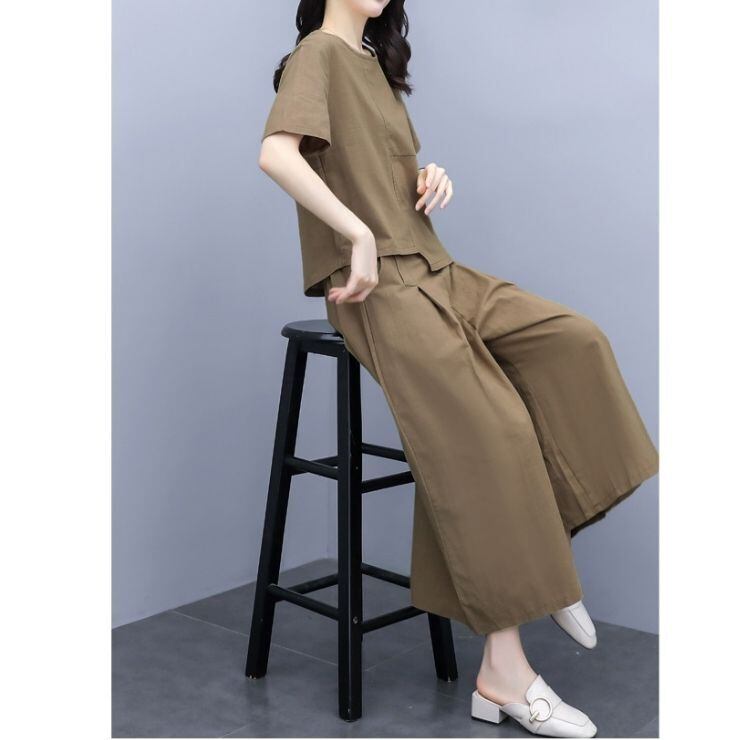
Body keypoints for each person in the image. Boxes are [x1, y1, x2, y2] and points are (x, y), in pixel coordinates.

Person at [258, 1, 658, 736]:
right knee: (491, 428)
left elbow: (379, 172)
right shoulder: (318, 53)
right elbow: (277, 153)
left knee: (576, 343)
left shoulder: (372, 65)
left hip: (436, 267)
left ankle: (539, 556)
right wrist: (356, 235)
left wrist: (427, 175)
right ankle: (505, 675)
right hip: (376, 289)